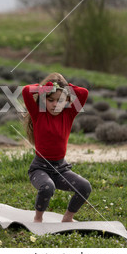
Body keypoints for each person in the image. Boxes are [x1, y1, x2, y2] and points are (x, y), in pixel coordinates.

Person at [22, 72, 91, 223]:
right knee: (47, 187)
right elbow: (26, 90)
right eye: (50, 100)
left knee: (85, 187)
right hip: (40, 168)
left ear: (67, 100)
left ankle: (68, 218)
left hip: (61, 169)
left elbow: (83, 93)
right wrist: (44, 88)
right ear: (43, 99)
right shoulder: (38, 114)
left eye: (60, 100)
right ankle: (38, 218)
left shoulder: (69, 114)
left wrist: (65, 87)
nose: (55, 104)